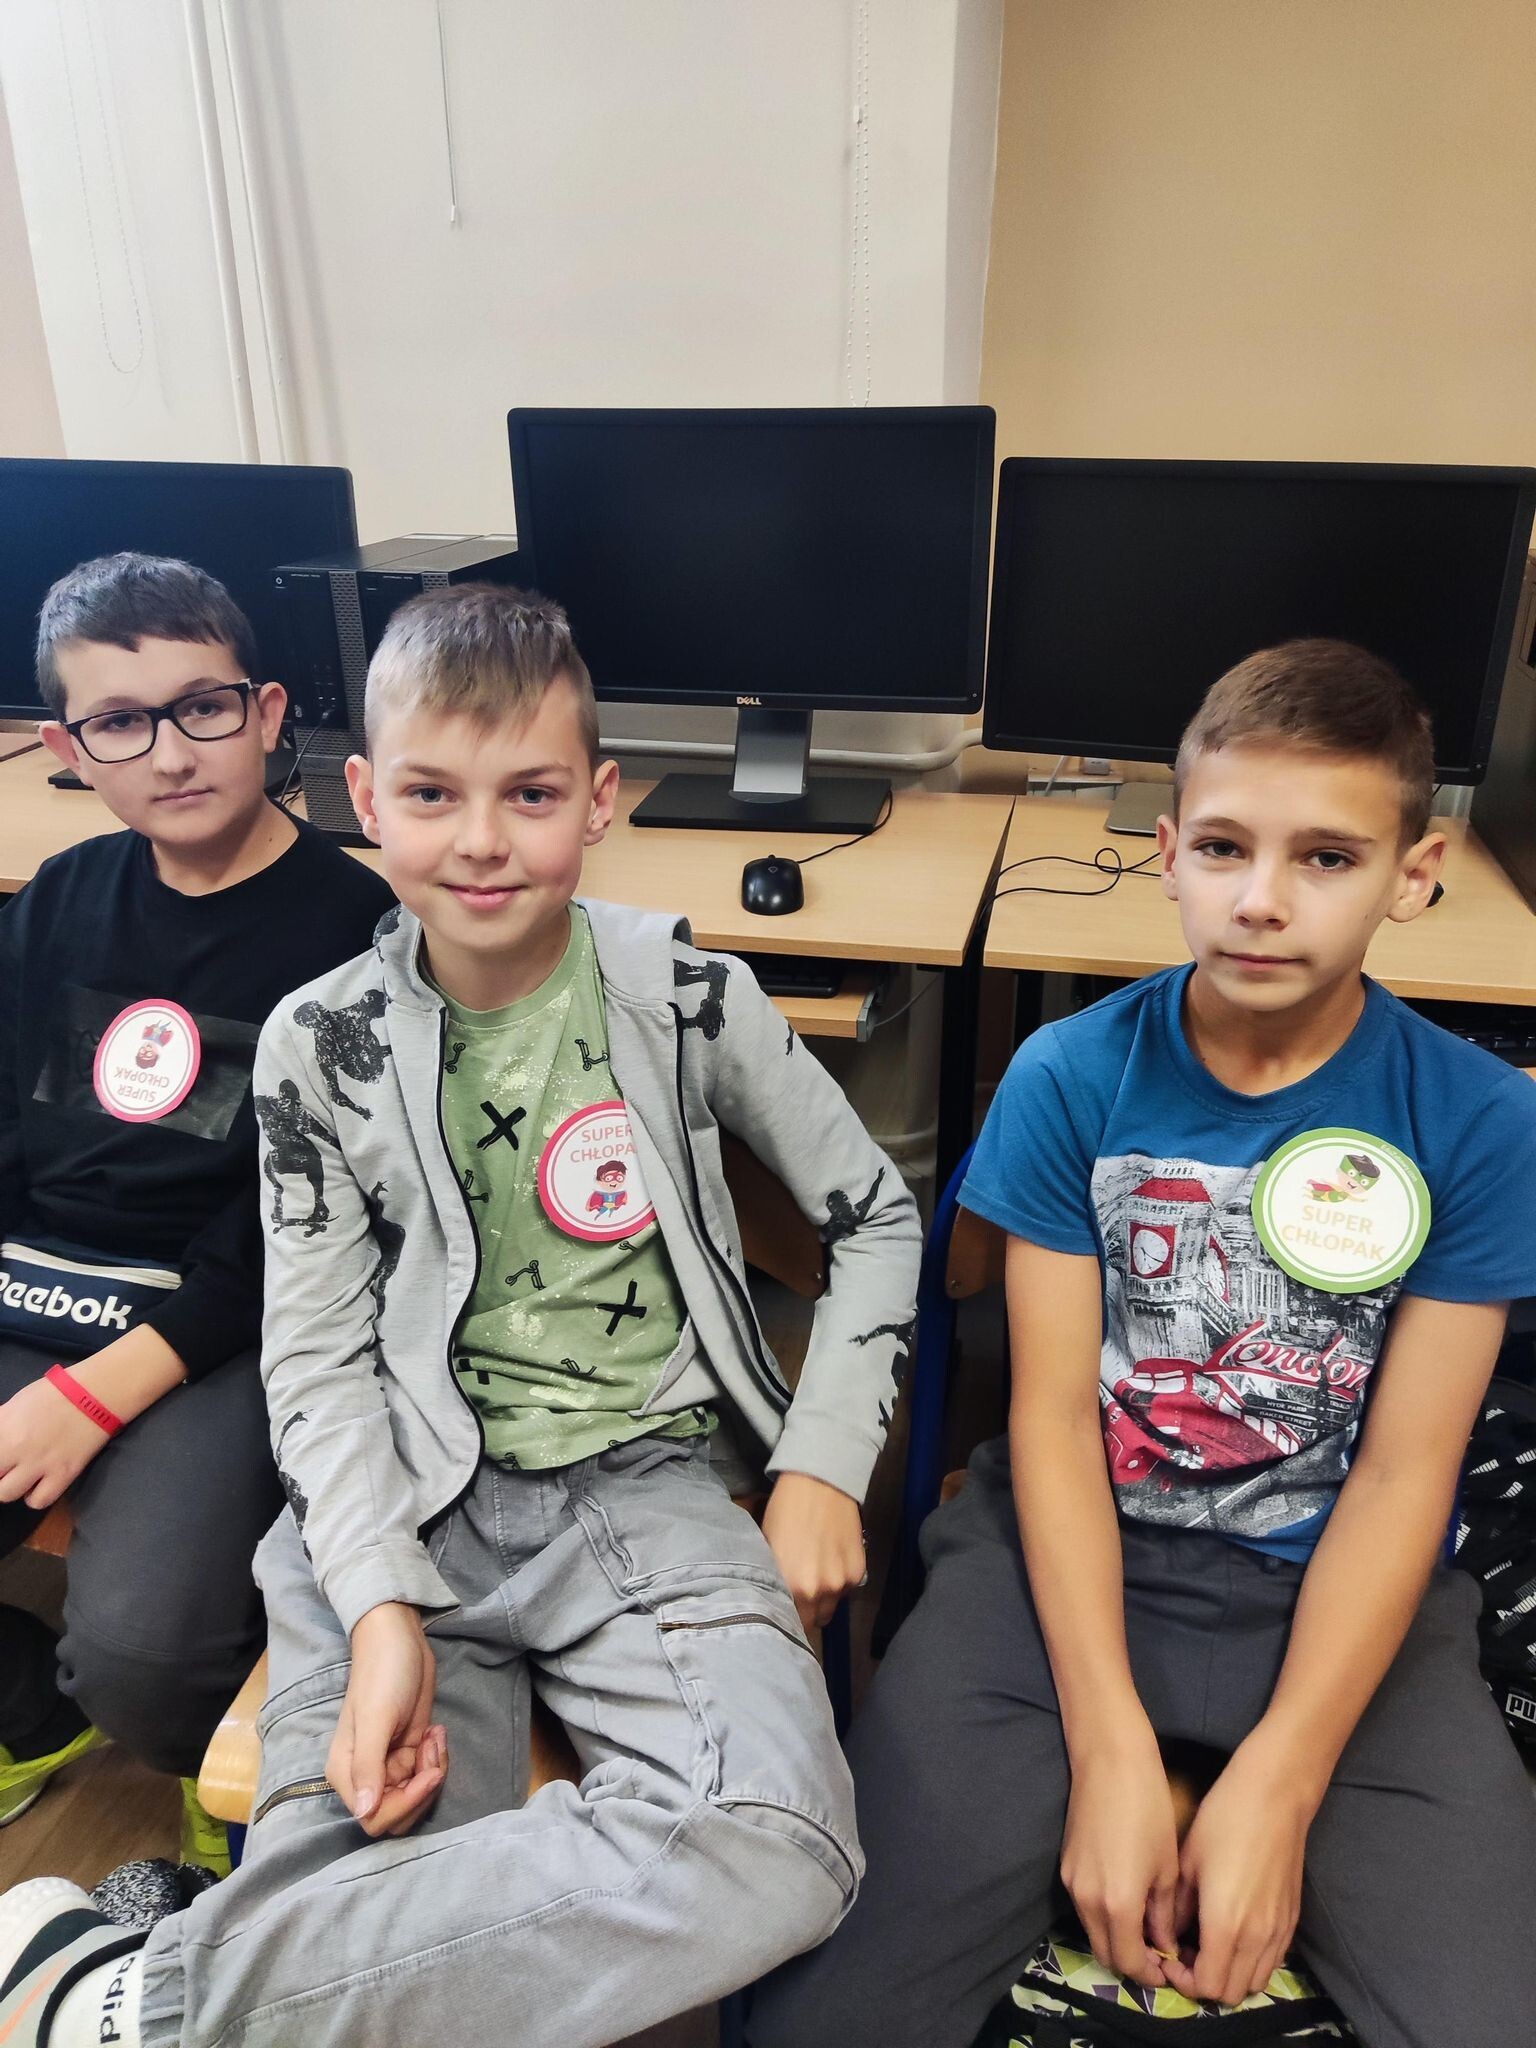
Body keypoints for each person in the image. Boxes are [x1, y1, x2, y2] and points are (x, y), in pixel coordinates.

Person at [0, 582, 921, 2048]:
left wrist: (820, 1464)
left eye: (531, 793)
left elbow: (877, 1216)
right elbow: (313, 1352)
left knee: (783, 1843)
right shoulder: (321, 1042)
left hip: (646, 1486)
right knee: (368, 1877)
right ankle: (197, 1971)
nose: (483, 839)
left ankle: (127, 1993)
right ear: (368, 799)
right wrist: (376, 1605)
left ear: (599, 801)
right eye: (433, 794)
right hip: (394, 1497)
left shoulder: (686, 993)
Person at [748, 640, 1536, 2048]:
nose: (1261, 899)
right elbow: (1050, 1420)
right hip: (1066, 1564)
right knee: (825, 2012)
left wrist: (1283, 1781)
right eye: (1224, 847)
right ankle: (1155, 1773)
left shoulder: (1481, 1119)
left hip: (1338, 1587)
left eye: (1328, 858)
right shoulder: (1069, 1075)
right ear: (1167, 852)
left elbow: (1406, 1475)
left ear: (1414, 875)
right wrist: (1109, 1748)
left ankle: (1215, 1781)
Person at [0, 554, 394, 1865]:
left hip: (218, 1327)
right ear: (70, 750)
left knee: (145, 1653)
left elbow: (312, 1229)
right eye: (121, 722)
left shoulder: (358, 934)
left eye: (203, 707)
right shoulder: (58, 899)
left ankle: (195, 1763)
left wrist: (93, 1393)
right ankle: (28, 1713)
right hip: (35, 1279)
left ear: (267, 713)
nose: (170, 753)